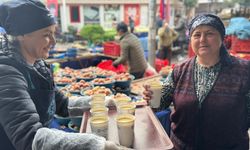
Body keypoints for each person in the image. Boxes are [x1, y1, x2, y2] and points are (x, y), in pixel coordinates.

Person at [0, 0, 130, 150]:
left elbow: (62, 104)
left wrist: (103, 101)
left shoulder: (37, 63)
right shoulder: (6, 73)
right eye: (46, 35)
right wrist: (100, 146)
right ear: (21, 35)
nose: (54, 41)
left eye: (54, 33)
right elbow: (30, 137)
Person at [143, 13, 250, 149]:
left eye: (209, 33)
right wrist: (150, 97)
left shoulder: (244, 71)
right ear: (191, 40)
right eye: (197, 35)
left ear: (222, 38)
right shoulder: (180, 70)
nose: (202, 40)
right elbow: (161, 103)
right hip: (181, 146)